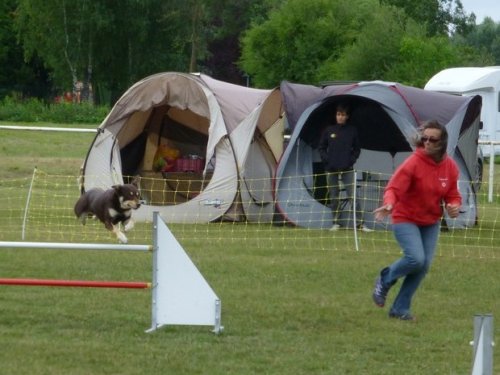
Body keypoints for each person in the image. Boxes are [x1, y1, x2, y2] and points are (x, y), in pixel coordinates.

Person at [372, 120, 462, 321]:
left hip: (430, 221)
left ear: (442, 142)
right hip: (405, 218)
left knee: (422, 267)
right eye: (424, 139)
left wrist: (454, 206)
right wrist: (389, 204)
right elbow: (393, 188)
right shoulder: (413, 163)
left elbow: (452, 194)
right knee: (415, 259)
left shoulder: (450, 166)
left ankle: (400, 309)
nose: (427, 143)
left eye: (433, 139)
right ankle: (385, 279)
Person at [318, 103, 372, 232]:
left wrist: (351, 161)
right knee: (334, 196)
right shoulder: (329, 130)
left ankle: (360, 224)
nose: (340, 117)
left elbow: (357, 149)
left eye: (343, 115)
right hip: (331, 169)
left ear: (347, 116)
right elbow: (321, 147)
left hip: (347, 168)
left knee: (353, 196)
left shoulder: (352, 130)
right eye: (338, 114)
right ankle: (336, 222)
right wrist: (327, 160)